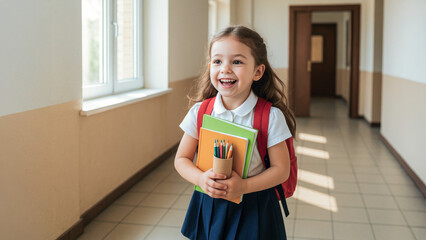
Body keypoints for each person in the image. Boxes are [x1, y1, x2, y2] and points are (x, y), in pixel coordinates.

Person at [174, 25, 296, 240]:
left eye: (237, 61)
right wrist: (201, 179)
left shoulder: (271, 116)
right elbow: (181, 159)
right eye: (217, 61)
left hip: (255, 205)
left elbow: (281, 170)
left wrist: (244, 185)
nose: (225, 69)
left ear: (258, 71)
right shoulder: (200, 112)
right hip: (210, 201)